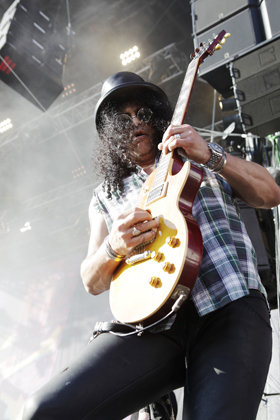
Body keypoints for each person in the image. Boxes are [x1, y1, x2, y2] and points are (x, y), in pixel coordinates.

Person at [23, 71, 280, 420]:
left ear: (158, 117)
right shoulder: (104, 197)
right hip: (153, 326)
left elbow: (270, 194)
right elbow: (91, 280)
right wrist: (114, 245)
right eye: (123, 119)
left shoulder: (199, 158)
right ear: (112, 133)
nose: (135, 123)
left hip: (230, 307)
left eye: (143, 114)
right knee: (43, 411)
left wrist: (211, 154)